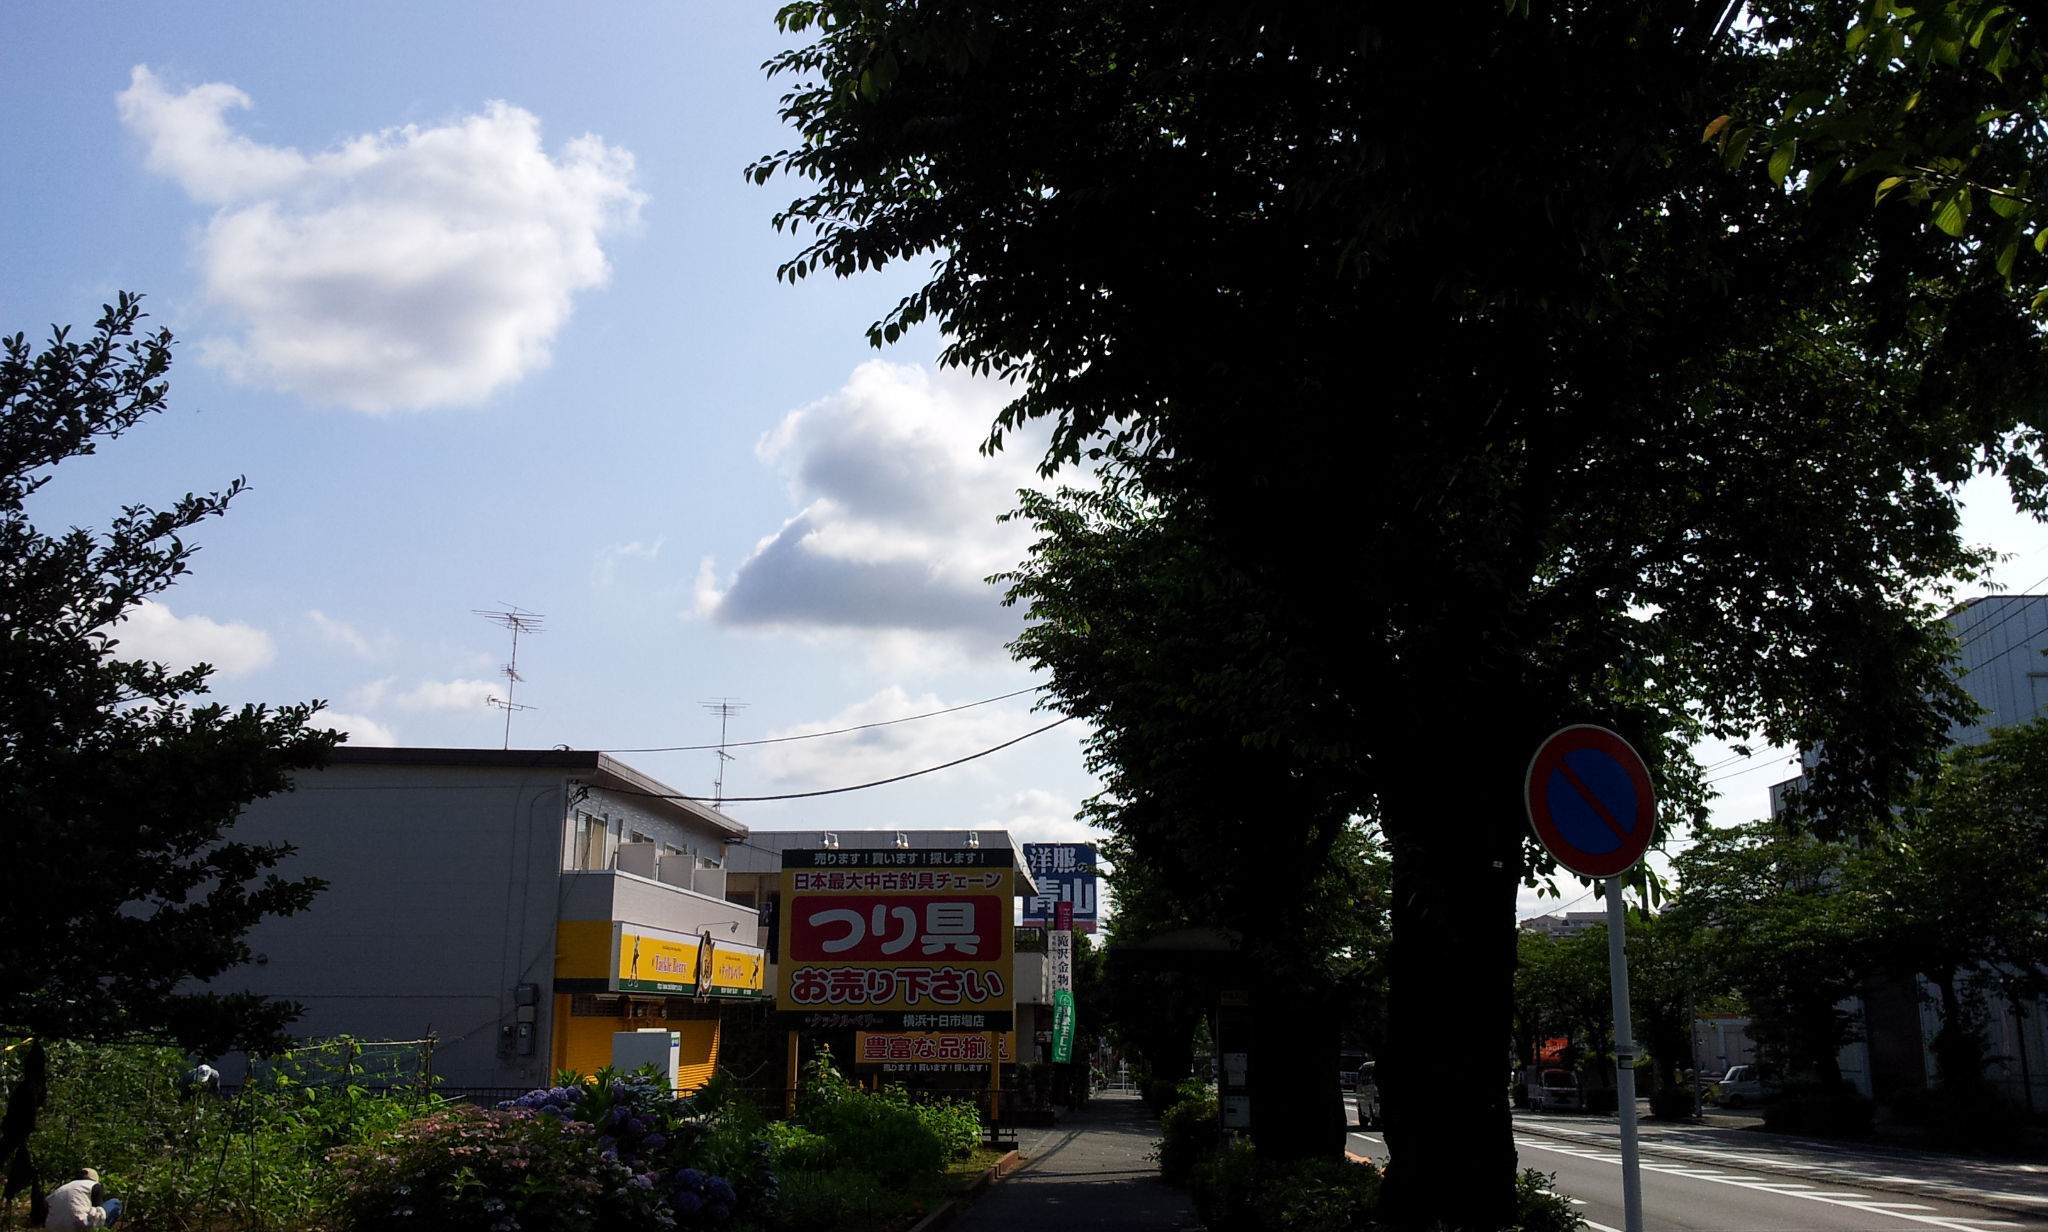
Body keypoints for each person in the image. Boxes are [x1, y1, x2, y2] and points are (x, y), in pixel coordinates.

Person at [44, 1168, 120, 1230]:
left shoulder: (61, 1189)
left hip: (53, 1228)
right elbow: (96, 1210)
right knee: (115, 1203)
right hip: (79, 1227)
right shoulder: (94, 1185)